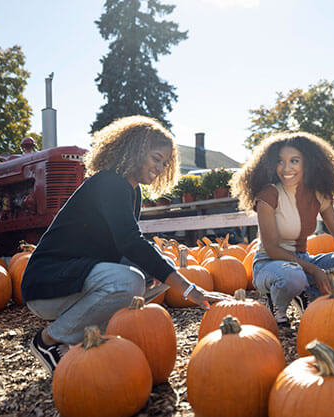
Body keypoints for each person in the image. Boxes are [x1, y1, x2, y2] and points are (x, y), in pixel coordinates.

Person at [22, 116, 229, 374]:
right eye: (156, 158)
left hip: (79, 277)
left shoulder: (132, 190)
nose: (160, 167)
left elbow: (125, 245)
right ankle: (49, 340)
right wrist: (191, 289)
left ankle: (91, 341)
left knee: (162, 270)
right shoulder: (110, 183)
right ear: (135, 151)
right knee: (129, 282)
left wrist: (160, 271)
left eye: (165, 163)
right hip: (49, 284)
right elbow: (129, 242)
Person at [230, 132, 334, 326]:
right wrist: (315, 271)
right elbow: (272, 248)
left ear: (308, 163)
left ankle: (310, 295)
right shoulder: (269, 194)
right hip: (269, 264)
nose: (286, 168)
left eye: (294, 161)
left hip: (303, 260)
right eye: (280, 162)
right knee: (293, 276)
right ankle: (279, 307)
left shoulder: (318, 194)